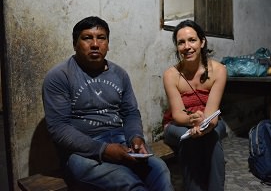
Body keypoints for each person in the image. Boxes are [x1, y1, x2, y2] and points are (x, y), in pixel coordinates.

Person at [42, 16, 174, 191]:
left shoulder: (119, 74)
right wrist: (103, 149)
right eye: (87, 38)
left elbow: (130, 113)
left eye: (101, 38)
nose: (95, 44)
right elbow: (59, 128)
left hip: (121, 141)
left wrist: (136, 137)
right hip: (82, 151)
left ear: (108, 44)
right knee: (128, 183)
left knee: (160, 171)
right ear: (75, 44)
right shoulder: (59, 76)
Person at [162, 20, 227, 191]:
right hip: (177, 125)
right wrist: (194, 122)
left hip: (210, 120)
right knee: (190, 138)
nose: (187, 46)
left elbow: (212, 113)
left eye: (192, 40)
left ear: (202, 42)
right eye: (181, 42)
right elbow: (177, 115)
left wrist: (205, 125)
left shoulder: (219, 70)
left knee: (211, 137)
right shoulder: (171, 75)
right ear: (177, 47)